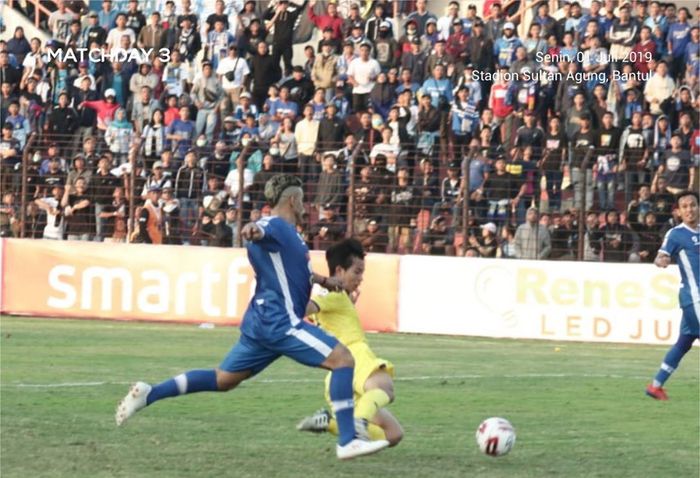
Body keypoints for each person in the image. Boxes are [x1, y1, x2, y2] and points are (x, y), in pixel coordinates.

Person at [115, 174, 390, 460]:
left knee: (223, 379)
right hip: (280, 321)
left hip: (262, 322)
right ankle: (348, 439)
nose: (305, 205)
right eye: (302, 200)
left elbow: (295, 270)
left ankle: (151, 393)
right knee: (343, 359)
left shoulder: (292, 236)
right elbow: (258, 229)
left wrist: (323, 280)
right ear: (293, 200)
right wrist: (251, 229)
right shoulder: (274, 225)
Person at [297, 238, 403, 447]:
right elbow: (303, 309)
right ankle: (359, 421)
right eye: (357, 271)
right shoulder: (332, 295)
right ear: (339, 271)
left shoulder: (338, 297)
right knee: (385, 388)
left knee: (393, 434)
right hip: (354, 355)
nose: (361, 278)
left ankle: (330, 423)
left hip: (338, 371)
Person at [645, 191, 699, 400]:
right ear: (678, 211)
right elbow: (661, 256)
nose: (689, 210)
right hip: (694, 297)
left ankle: (656, 386)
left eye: (692, 205)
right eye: (684, 206)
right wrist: (661, 261)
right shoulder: (676, 234)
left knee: (684, 341)